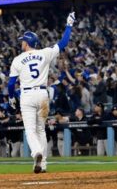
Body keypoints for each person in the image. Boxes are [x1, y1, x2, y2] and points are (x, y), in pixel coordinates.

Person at [8, 12, 75, 173]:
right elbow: (63, 43)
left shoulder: (17, 59)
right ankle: (42, 164)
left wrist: (11, 97)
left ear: (28, 42)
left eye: (23, 41)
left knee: (30, 130)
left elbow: (11, 84)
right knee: (41, 130)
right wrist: (69, 25)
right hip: (43, 95)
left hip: (27, 96)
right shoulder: (44, 53)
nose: (21, 43)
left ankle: (36, 152)